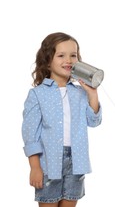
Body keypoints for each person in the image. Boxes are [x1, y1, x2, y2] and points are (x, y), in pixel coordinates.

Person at [22, 32, 102, 207]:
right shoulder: (37, 94)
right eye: (61, 55)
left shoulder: (80, 93)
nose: (69, 60)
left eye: (73, 55)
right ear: (47, 61)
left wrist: (92, 94)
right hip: (49, 161)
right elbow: (30, 135)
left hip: (77, 161)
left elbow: (94, 121)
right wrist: (34, 167)